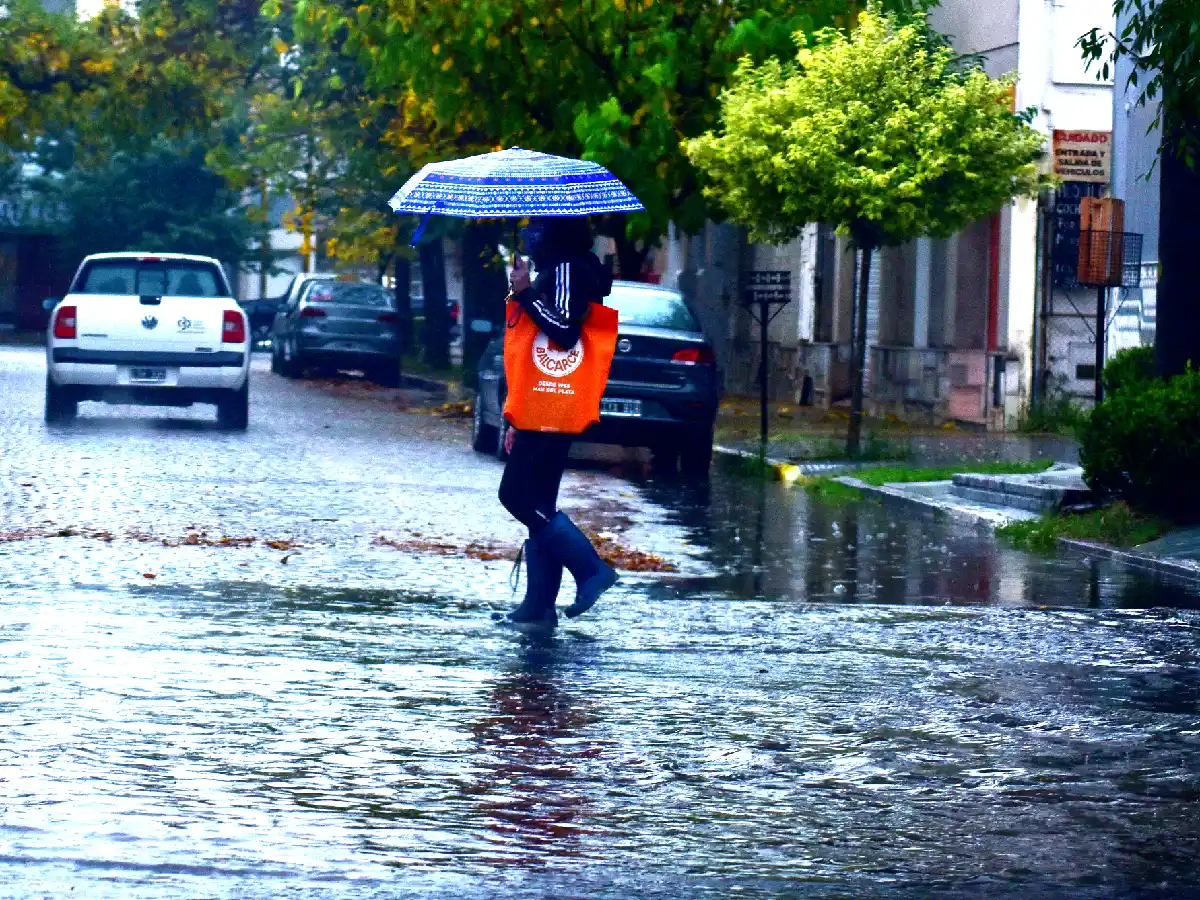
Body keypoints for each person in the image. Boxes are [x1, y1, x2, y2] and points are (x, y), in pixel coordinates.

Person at [497, 216, 619, 631]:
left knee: (514, 495)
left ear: (556, 233)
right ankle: (539, 605)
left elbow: (564, 332)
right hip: (542, 399)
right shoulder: (557, 268)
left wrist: (527, 292)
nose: (531, 234)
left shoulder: (568, 269)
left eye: (538, 228)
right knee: (540, 504)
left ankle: (589, 569)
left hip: (554, 400)